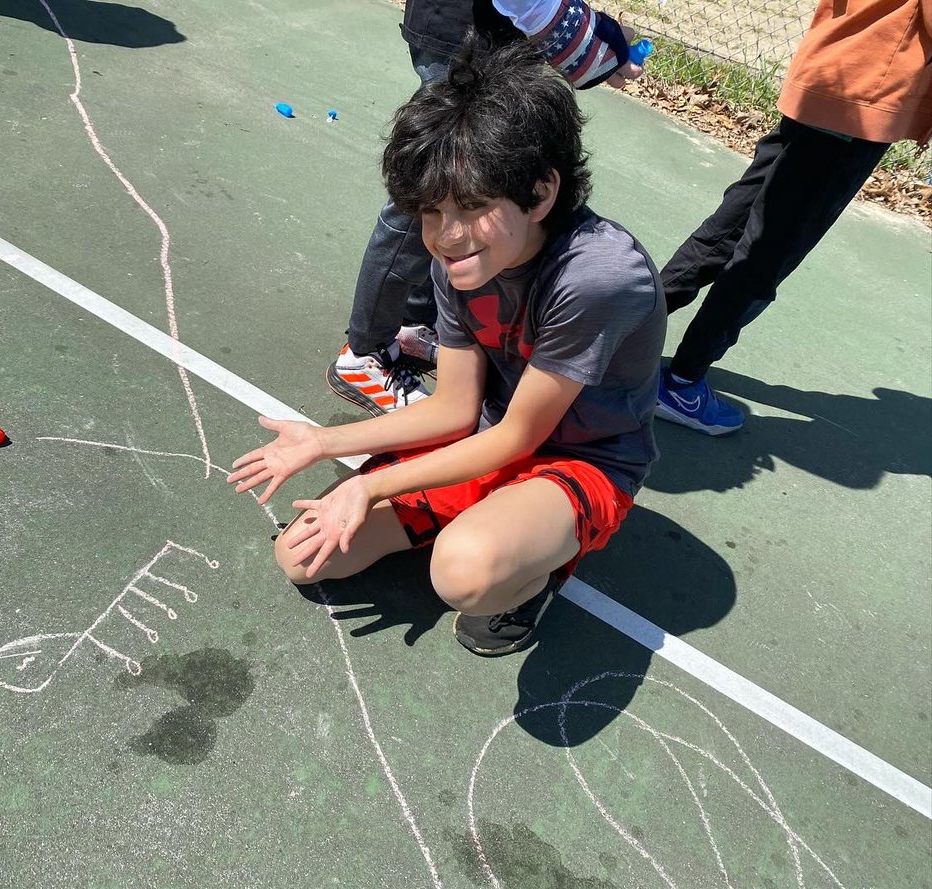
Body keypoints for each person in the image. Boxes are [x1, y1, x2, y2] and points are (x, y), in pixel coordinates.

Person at [230, 36, 666, 657]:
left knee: (463, 572)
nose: (446, 235)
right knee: (301, 555)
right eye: (431, 212)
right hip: (485, 435)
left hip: (581, 458)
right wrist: (323, 442)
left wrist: (371, 487)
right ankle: (472, 516)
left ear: (541, 193)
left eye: (474, 206)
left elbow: (522, 438)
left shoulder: (595, 277)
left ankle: (532, 575)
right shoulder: (462, 257)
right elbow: (456, 409)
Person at [328, 0, 645, 417]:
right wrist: (584, 39)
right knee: (436, 191)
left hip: (501, 32)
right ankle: (364, 351)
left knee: (462, 199)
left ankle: (413, 325)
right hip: (469, 30)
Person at [655, 0, 932, 435]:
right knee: (766, 255)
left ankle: (609, 331)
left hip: (829, 71)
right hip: (863, 101)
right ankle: (681, 381)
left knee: (730, 230)